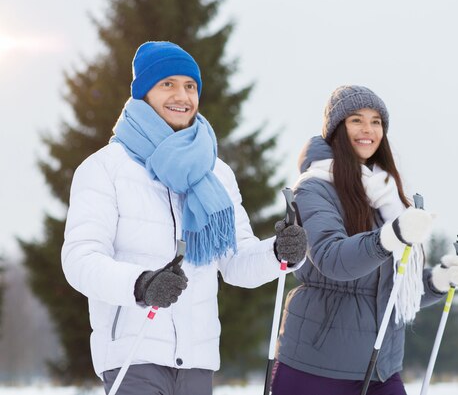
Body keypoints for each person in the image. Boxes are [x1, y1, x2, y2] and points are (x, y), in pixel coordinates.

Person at [61, 41, 307, 395]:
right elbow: (80, 260)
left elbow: (235, 262)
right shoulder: (105, 169)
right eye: (168, 84)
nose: (182, 95)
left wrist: (278, 252)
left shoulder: (216, 174)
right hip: (134, 354)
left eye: (190, 86)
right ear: (144, 92)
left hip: (197, 360)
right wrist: (141, 284)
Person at [271, 85, 458, 395]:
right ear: (337, 129)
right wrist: (392, 235)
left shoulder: (386, 196)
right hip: (317, 367)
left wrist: (439, 280)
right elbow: (332, 259)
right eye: (356, 120)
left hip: (381, 366)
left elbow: (389, 291)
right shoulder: (315, 188)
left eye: (376, 121)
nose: (368, 129)